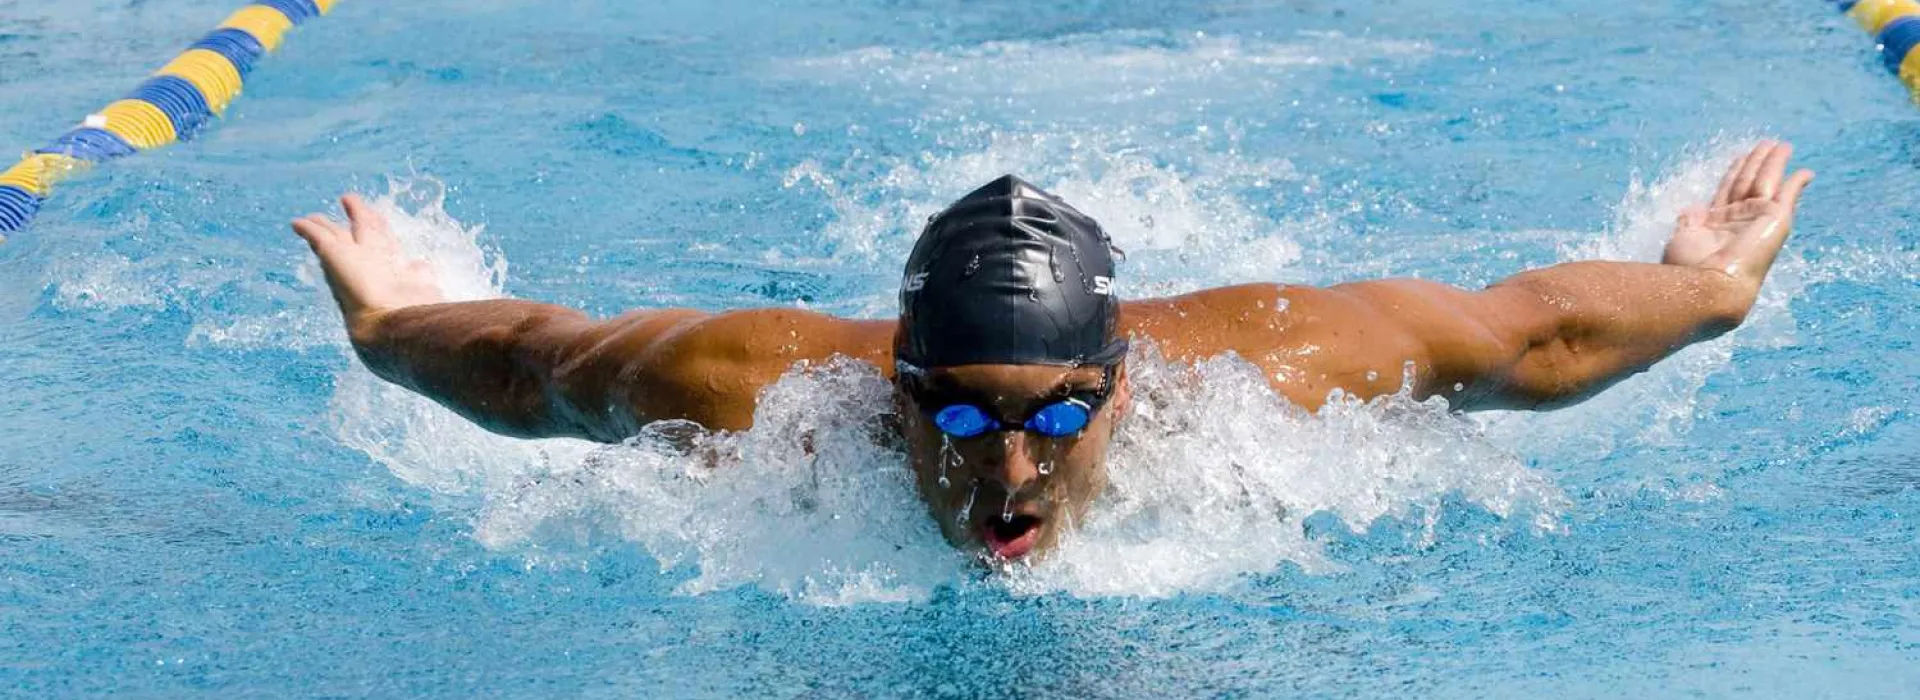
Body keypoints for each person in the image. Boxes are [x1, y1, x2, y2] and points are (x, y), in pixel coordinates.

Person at [293, 141, 1813, 562]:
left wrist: (1702, 288)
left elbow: (1530, 335)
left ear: (1125, 381)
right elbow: (535, 365)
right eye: (953, 422)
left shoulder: (1267, 376)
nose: (1005, 483)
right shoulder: (767, 391)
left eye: (1052, 421)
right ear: (888, 381)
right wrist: (389, 321)